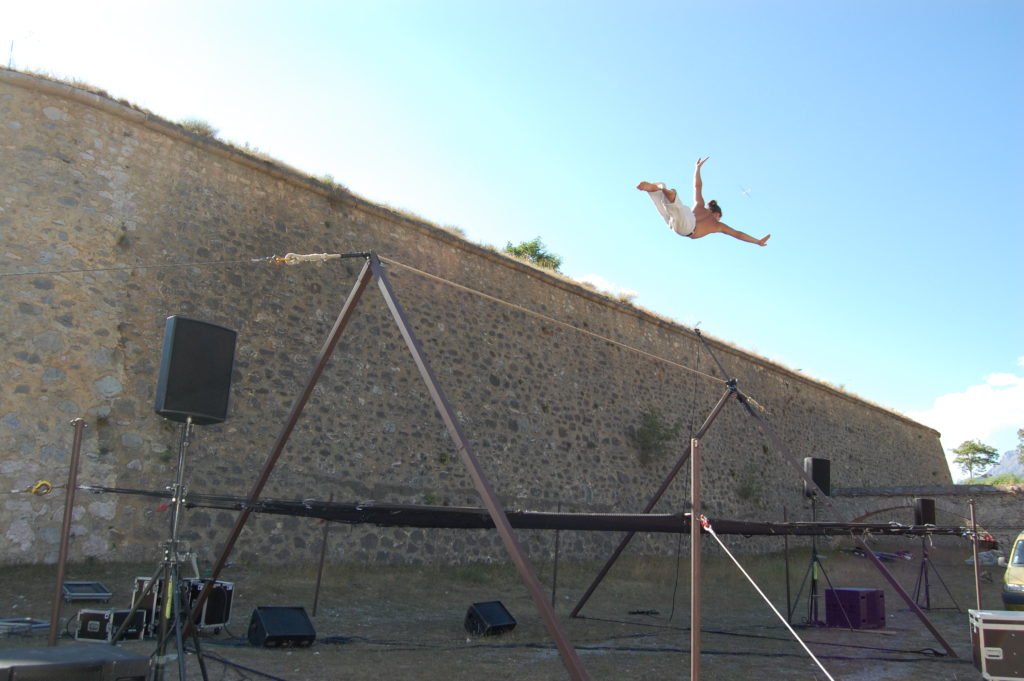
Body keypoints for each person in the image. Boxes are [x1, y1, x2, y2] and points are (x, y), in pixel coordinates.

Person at [637, 157, 770, 246]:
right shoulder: (717, 225)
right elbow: (738, 234)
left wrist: (697, 168)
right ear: (717, 214)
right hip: (685, 228)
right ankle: (664, 190)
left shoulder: (700, 205)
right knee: (673, 208)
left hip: (678, 220)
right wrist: (757, 241)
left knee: (670, 205)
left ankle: (658, 190)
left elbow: (697, 186)